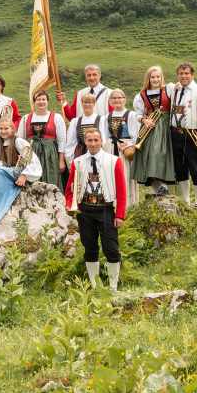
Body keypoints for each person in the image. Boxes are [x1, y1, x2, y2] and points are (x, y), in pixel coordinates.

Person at [65, 128, 127, 291]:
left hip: (105, 209)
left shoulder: (113, 161)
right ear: (85, 142)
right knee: (89, 247)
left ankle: (113, 286)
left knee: (111, 248)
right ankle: (95, 286)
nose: (93, 143)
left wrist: (120, 214)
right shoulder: (77, 162)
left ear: (101, 141)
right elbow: (69, 189)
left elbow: (121, 190)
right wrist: (70, 204)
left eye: (96, 140)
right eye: (89, 140)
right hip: (85, 210)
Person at [131, 66, 174, 196]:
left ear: (161, 78)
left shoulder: (169, 89)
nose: (155, 79)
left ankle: (163, 186)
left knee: (163, 156)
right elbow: (137, 113)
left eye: (158, 77)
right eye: (152, 77)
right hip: (150, 127)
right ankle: (159, 187)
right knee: (150, 157)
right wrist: (144, 120)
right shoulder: (141, 95)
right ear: (148, 78)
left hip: (166, 126)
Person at [166, 62, 197, 208]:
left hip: (193, 132)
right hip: (176, 133)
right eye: (181, 73)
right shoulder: (175, 89)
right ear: (178, 75)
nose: (184, 76)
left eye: (187, 73)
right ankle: (186, 200)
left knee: (196, 167)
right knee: (180, 168)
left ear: (192, 75)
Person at [18, 91, 67, 188]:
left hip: (50, 156)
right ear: (34, 102)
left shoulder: (57, 117)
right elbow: (20, 140)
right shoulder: (26, 118)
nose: (41, 102)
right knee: (30, 183)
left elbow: (62, 141)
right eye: (38, 99)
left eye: (43, 99)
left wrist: (61, 161)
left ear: (47, 101)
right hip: (31, 156)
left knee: (50, 181)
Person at [101, 89, 139, 208]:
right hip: (111, 150)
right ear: (110, 101)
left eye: (119, 98)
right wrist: (109, 145)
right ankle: (112, 204)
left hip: (126, 150)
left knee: (126, 176)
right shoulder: (106, 117)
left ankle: (128, 205)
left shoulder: (131, 115)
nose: (117, 100)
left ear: (124, 99)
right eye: (114, 98)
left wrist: (127, 145)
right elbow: (104, 136)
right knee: (111, 177)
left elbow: (136, 135)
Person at [64, 93, 106, 167]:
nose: (87, 104)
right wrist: (71, 161)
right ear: (82, 103)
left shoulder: (101, 119)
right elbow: (70, 142)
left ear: (94, 103)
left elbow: (104, 140)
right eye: (85, 102)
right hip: (80, 155)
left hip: (97, 153)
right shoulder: (75, 121)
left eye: (90, 102)